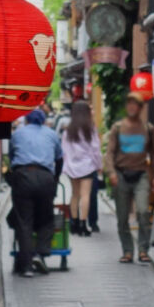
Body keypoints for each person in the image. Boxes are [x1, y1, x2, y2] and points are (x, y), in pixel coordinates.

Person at [8, 107, 61, 278]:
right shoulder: (51, 134)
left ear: (27, 120)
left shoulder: (18, 133)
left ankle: (27, 266)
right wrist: (55, 179)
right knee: (46, 218)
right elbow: (59, 158)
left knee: (24, 222)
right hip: (45, 177)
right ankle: (41, 252)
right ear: (44, 121)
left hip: (23, 176)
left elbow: (11, 156)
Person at [104, 92, 154, 264]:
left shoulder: (148, 128)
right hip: (121, 174)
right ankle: (127, 251)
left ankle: (143, 250)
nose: (132, 107)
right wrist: (111, 172)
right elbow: (109, 152)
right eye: (129, 104)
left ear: (141, 108)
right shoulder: (118, 127)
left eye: (135, 104)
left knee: (143, 211)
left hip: (141, 174)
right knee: (122, 216)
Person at [60, 100, 102, 237]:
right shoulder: (90, 128)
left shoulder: (68, 130)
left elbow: (64, 151)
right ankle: (84, 225)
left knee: (75, 195)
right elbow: (95, 149)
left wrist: (67, 166)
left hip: (73, 167)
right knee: (85, 195)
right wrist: (99, 165)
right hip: (87, 166)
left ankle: (74, 224)